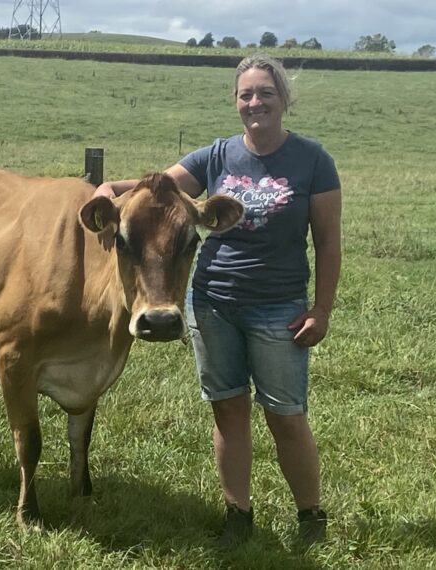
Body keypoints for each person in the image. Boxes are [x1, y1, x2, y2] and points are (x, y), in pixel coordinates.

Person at [94, 54, 341, 547]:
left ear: (283, 100)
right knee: (227, 412)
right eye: (246, 94)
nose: (255, 102)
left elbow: (328, 242)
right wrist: (108, 188)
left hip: (278, 308)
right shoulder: (217, 156)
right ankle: (237, 515)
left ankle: (310, 516)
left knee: (285, 415)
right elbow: (155, 190)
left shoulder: (313, 160)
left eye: (265, 93)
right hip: (211, 305)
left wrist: (322, 309)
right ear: (236, 101)